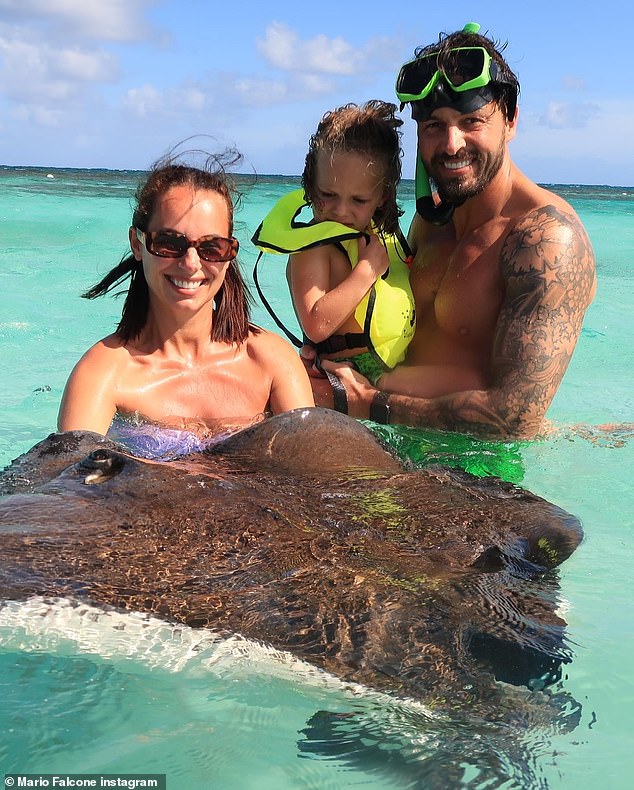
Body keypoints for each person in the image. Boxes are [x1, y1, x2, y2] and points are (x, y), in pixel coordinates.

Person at [312, 22, 596, 438]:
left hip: (476, 479)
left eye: (471, 121)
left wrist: (367, 403)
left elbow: (515, 418)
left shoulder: (546, 240)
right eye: (433, 126)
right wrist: (334, 362)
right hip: (385, 444)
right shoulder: (432, 218)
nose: (450, 144)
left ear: (511, 120)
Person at [58, 150, 314, 438]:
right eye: (169, 243)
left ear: (229, 254)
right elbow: (72, 478)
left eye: (212, 247)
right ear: (138, 244)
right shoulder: (103, 373)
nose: (191, 263)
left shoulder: (271, 361)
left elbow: (314, 474)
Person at [252, 101, 416, 415]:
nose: (341, 211)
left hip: (377, 391)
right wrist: (366, 271)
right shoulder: (314, 246)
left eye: (358, 200)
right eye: (328, 195)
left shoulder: (379, 241)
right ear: (311, 186)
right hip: (335, 399)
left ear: (381, 196)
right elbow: (315, 323)